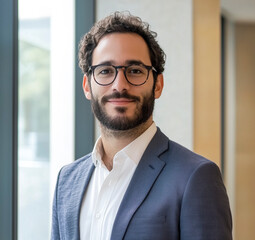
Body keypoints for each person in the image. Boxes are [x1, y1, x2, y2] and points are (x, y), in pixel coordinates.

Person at [51, 12, 232, 240]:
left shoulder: (195, 177)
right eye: (105, 71)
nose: (120, 85)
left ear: (157, 84)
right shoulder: (67, 181)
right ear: (87, 86)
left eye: (135, 71)